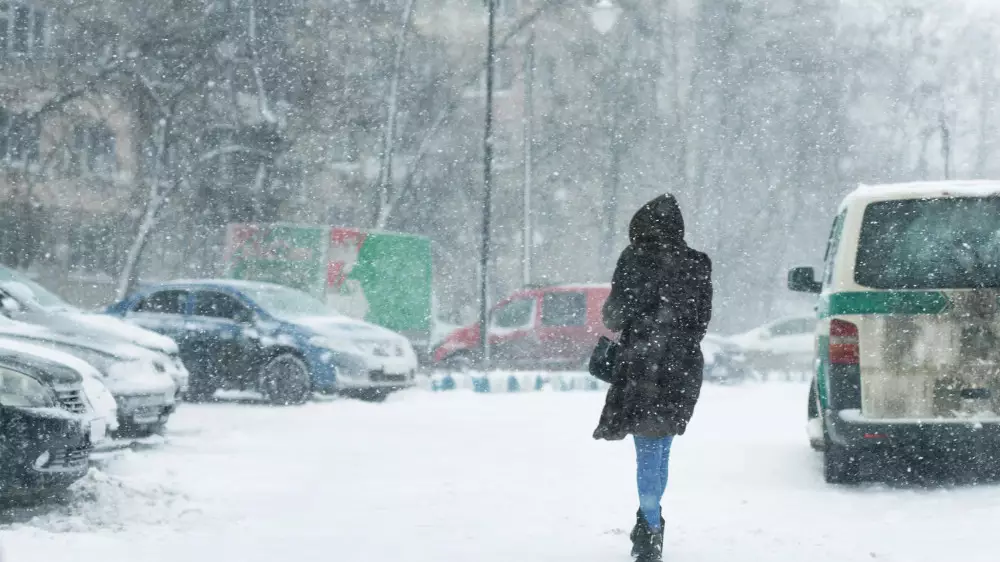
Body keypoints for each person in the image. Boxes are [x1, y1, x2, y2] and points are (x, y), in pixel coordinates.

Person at [593, 194, 712, 561]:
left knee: (647, 447)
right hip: (682, 366)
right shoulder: (698, 264)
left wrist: (630, 316)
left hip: (643, 364)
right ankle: (650, 520)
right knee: (660, 445)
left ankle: (650, 529)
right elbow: (701, 320)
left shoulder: (634, 260)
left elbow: (614, 317)